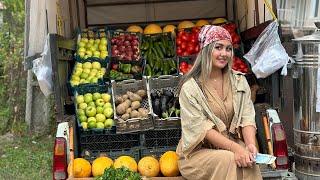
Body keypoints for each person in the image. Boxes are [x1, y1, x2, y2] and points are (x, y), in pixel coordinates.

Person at [176, 25, 262, 180]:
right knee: (229, 159)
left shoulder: (239, 81)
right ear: (206, 50)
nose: (224, 54)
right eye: (218, 47)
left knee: (249, 159)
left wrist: (250, 145)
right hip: (197, 154)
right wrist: (236, 148)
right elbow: (203, 129)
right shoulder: (190, 88)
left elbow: (247, 117)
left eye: (229, 49)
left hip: (230, 144)